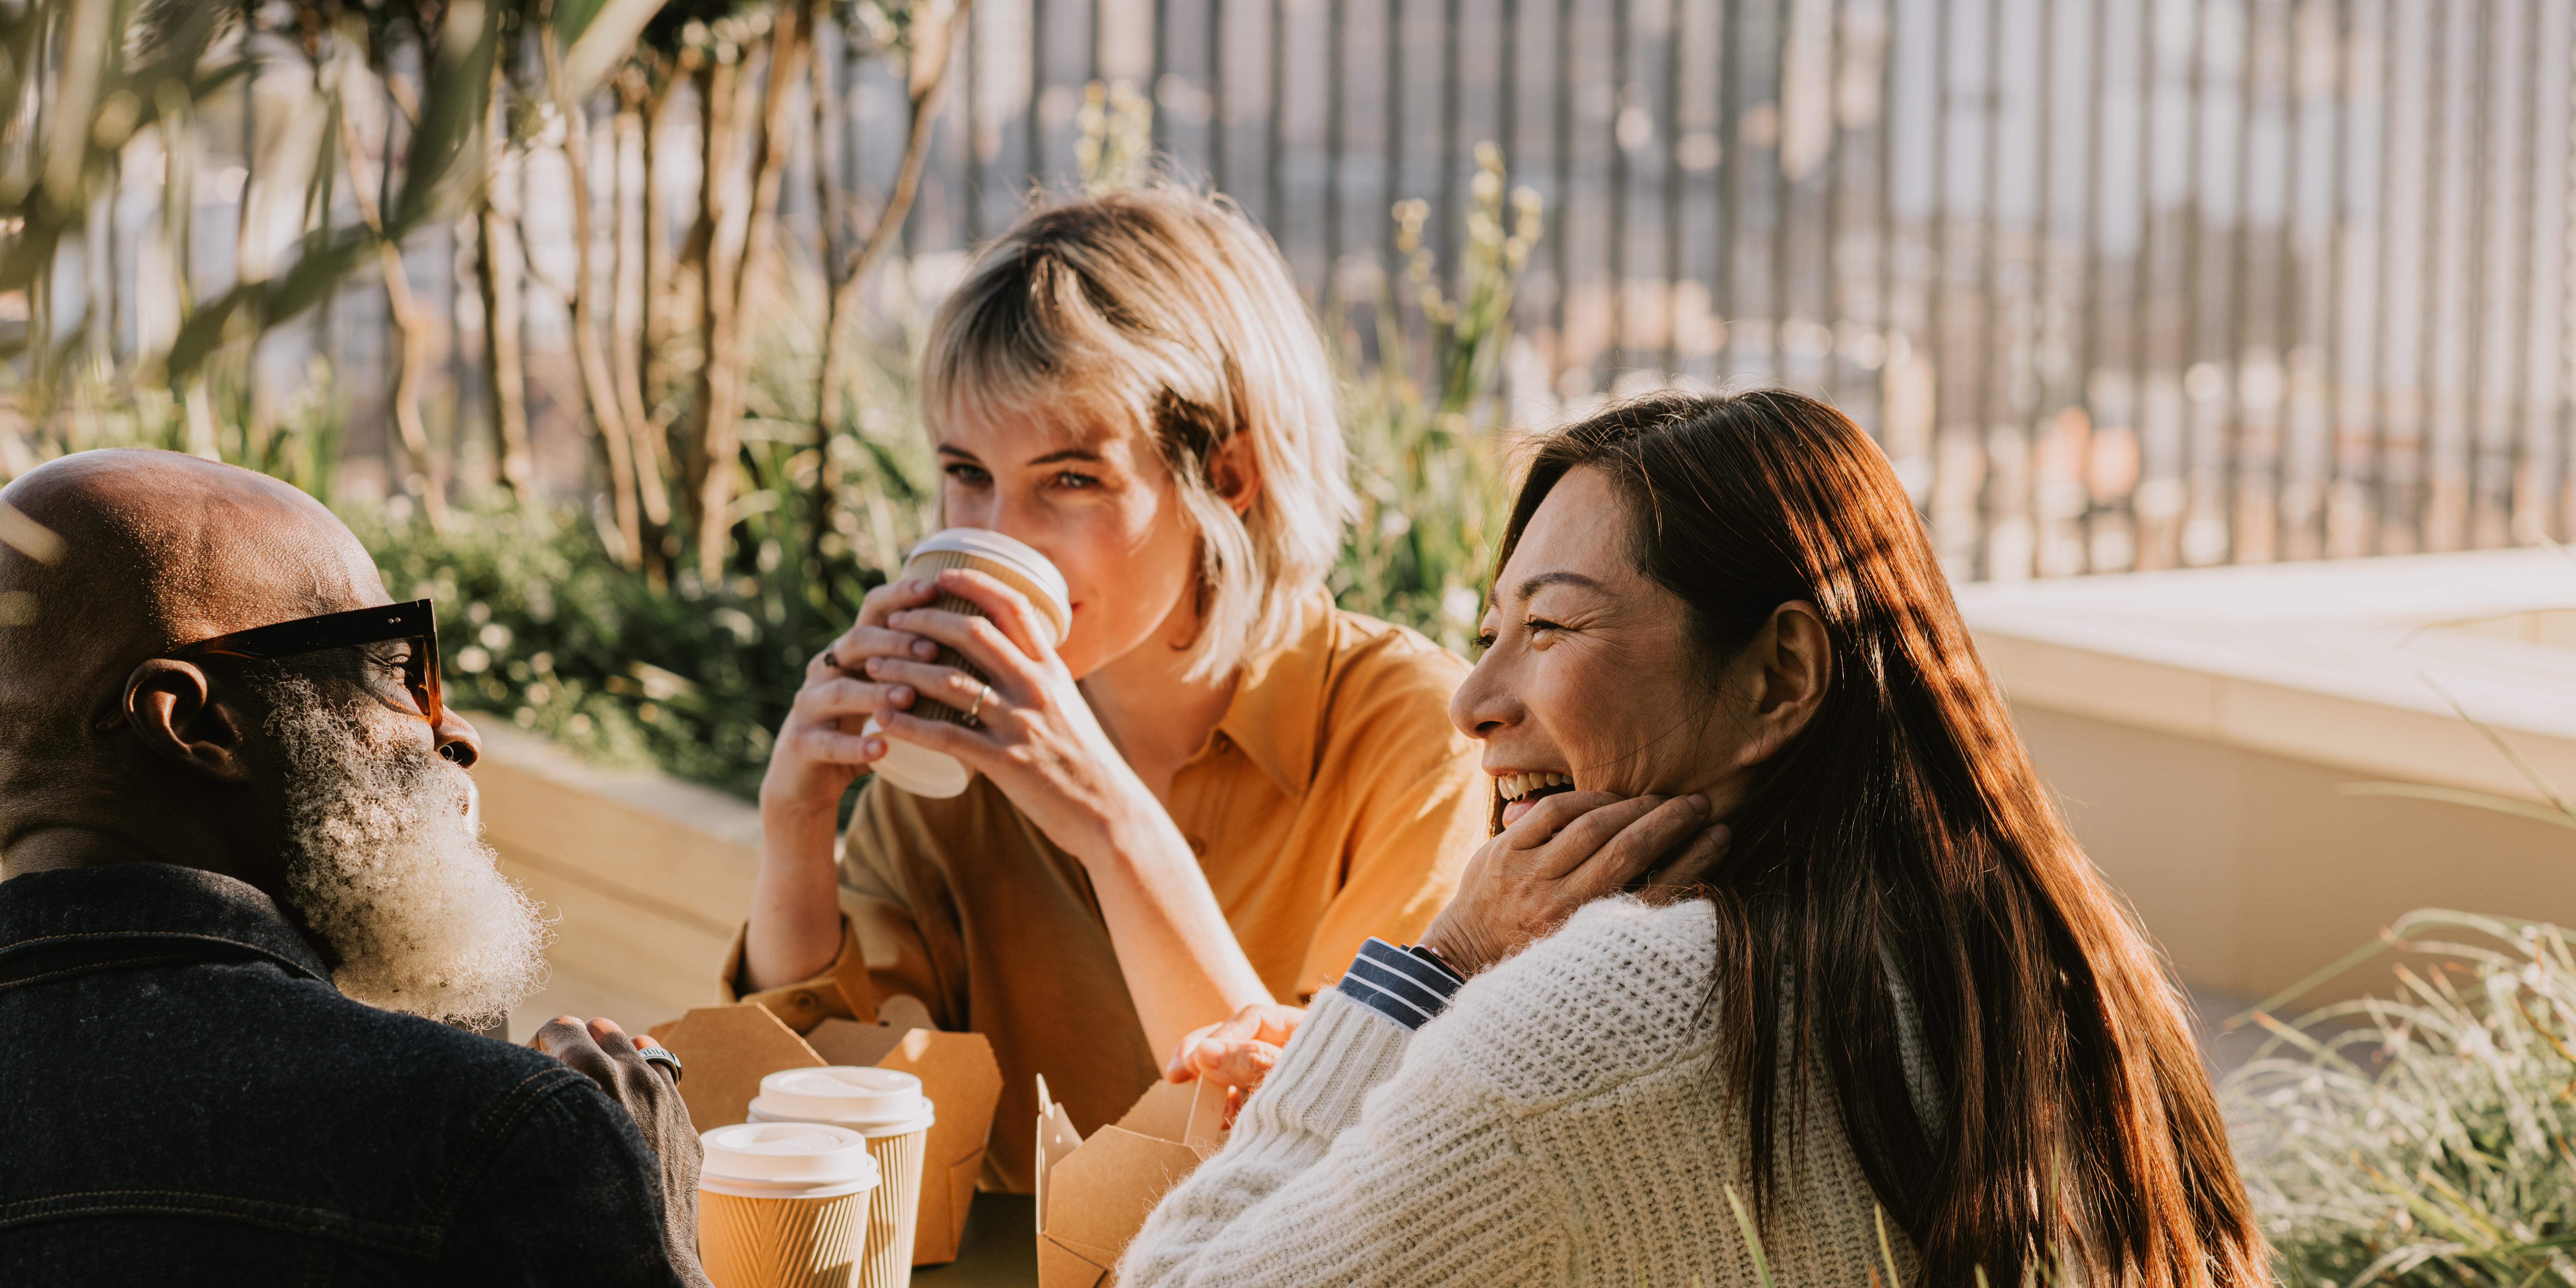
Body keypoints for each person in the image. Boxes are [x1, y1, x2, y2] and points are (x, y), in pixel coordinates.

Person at [1126, 390, 2269, 1287]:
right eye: (1489, 632)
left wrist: (1434, 969)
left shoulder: (1616, 1013)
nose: (1472, 697)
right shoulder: (2045, 960)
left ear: (1779, 677)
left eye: (1551, 626)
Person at [736, 184, 1488, 1188]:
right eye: (967, 472)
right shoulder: (956, 760)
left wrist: (1108, 822)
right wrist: (795, 823)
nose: (998, 534)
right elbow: (820, 1129)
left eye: (1069, 479)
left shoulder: (1416, 735)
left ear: (1228, 477)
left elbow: (1328, 1166)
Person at [0, 450, 710, 1287]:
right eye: (394, 672)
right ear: (200, 725)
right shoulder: (501, 1137)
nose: (458, 733)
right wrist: (647, 1217)